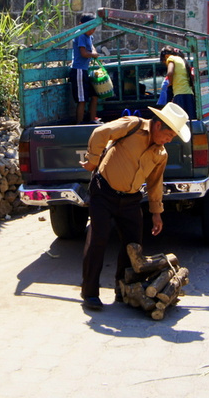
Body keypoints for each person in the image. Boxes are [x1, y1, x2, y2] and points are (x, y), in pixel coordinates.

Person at [79, 103, 190, 310]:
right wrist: (93, 161)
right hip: (103, 191)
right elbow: (100, 132)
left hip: (130, 199)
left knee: (133, 245)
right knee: (98, 238)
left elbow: (156, 182)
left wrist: (157, 213)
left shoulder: (161, 154)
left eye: (173, 137)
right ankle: (89, 292)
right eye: (169, 135)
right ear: (157, 126)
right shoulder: (133, 126)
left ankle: (123, 288)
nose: (170, 140)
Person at [70, 13, 100, 124]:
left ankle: (92, 120)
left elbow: (92, 47)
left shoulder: (89, 36)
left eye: (94, 28)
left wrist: (94, 52)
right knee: (82, 99)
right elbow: (83, 53)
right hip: (78, 70)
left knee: (94, 95)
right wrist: (93, 55)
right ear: (81, 25)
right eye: (90, 28)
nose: (92, 30)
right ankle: (79, 123)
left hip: (85, 70)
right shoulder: (81, 34)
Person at [159, 46, 196, 119]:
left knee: (180, 120)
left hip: (179, 94)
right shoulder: (181, 59)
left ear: (166, 56)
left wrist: (170, 83)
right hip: (189, 94)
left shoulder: (170, 59)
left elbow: (170, 73)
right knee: (191, 120)